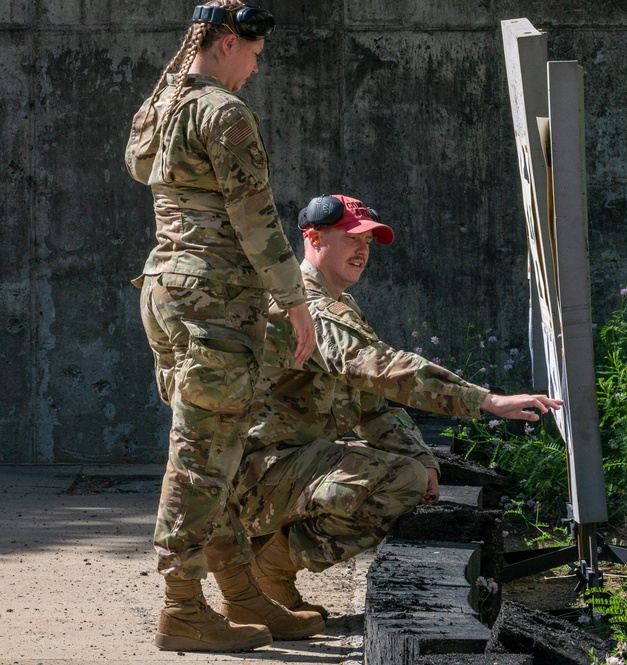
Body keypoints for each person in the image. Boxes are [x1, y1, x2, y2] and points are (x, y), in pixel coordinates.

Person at [235, 194, 562, 618]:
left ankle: (269, 576)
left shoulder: (338, 304)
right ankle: (266, 567)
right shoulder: (309, 308)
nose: (363, 251)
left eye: (369, 243)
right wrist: (486, 400)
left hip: (286, 466)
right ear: (314, 238)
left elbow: (372, 407)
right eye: (353, 239)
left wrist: (421, 456)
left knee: (409, 472)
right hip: (260, 473)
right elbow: (380, 369)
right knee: (397, 482)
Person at [124, 1, 324, 653]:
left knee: (219, 452)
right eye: (254, 56)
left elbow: (135, 162)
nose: (256, 71)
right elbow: (256, 218)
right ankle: (182, 607)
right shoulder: (224, 113)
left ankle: (239, 592)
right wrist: (296, 302)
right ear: (229, 42)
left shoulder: (161, 106)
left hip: (166, 291)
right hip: (213, 296)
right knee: (199, 456)